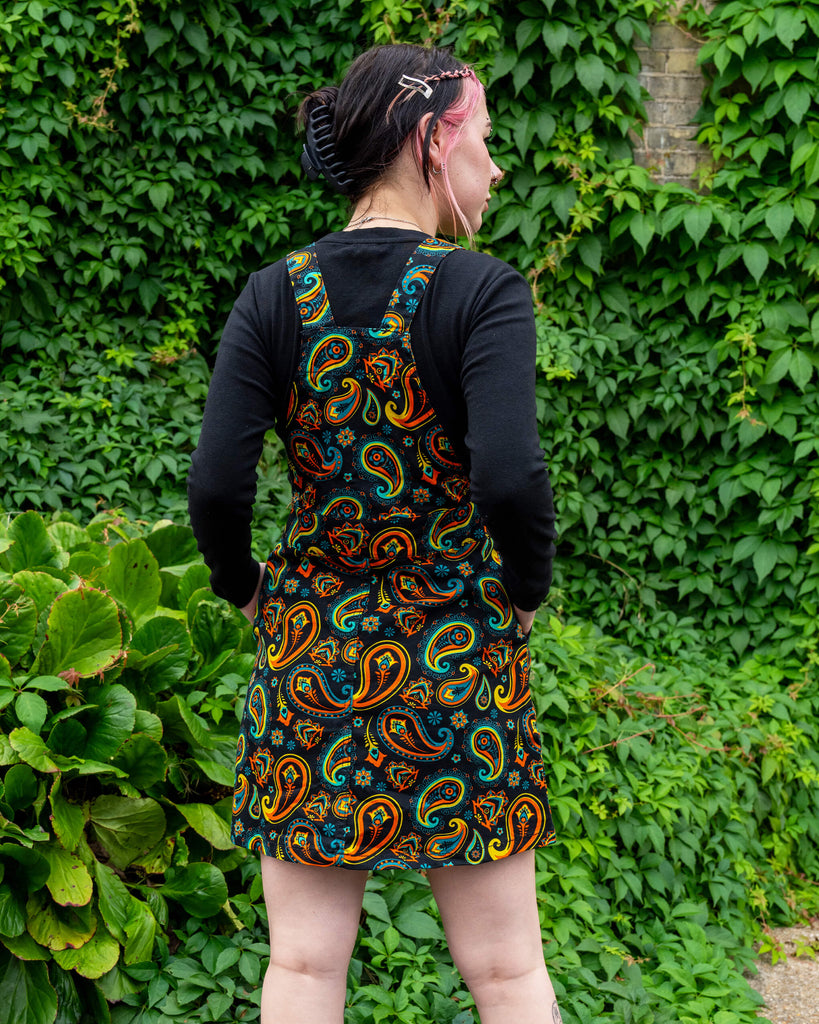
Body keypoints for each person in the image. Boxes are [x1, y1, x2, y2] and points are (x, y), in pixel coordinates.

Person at [188, 43, 562, 1024]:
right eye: (484, 138)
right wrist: (523, 589)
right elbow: (513, 475)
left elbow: (217, 487)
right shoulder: (481, 291)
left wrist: (252, 591)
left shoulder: (275, 294)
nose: (495, 163)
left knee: (306, 969)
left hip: (311, 653)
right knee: (508, 973)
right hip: (459, 656)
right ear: (434, 141)